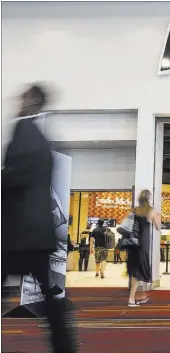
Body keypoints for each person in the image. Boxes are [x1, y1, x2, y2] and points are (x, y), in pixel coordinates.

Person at [1, 83, 76, 352]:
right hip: (36, 232)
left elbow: (14, 176)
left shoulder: (23, 130)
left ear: (32, 101)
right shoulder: (44, 139)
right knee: (49, 299)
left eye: (22, 98)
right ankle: (64, 346)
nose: (18, 101)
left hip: (19, 233)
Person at [127, 189, 160, 307]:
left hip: (132, 245)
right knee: (138, 271)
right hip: (142, 244)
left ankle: (138, 295)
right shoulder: (151, 211)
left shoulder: (134, 210)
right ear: (149, 198)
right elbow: (158, 227)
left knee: (136, 271)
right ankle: (131, 298)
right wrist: (157, 215)